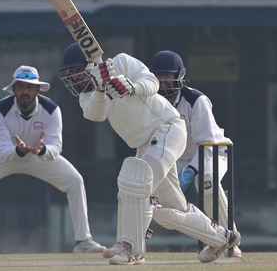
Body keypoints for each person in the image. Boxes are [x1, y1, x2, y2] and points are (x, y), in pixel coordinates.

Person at [57, 43, 241, 265]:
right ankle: (222, 237)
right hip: (147, 142)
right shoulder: (87, 94)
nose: (75, 77)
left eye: (77, 70)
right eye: (72, 73)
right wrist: (100, 88)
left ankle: (132, 248)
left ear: (89, 65)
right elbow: (95, 115)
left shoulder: (122, 62)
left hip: (166, 128)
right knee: (167, 211)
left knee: (135, 184)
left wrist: (132, 87)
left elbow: (152, 82)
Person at [0, 65, 106, 255]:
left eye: (29, 87)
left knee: (75, 181)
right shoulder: (0, 110)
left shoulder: (51, 110)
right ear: (14, 89)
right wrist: (18, 151)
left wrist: (43, 150)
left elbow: (56, 146)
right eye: (21, 87)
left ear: (37, 89)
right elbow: (1, 149)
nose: (25, 91)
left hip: (38, 156)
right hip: (4, 156)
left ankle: (83, 241)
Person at [149, 50, 242, 258]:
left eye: (168, 75)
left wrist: (190, 172)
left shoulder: (196, 100)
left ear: (179, 76)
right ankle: (214, 238)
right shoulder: (152, 103)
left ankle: (231, 242)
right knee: (153, 195)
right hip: (176, 159)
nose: (164, 81)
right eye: (159, 76)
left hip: (213, 152)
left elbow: (206, 143)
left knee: (206, 182)